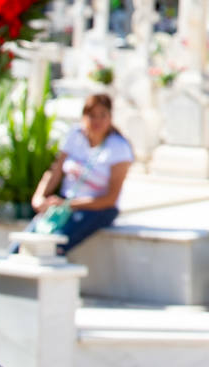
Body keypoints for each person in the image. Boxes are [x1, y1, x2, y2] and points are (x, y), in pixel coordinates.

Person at [25, 92, 133, 255]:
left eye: (102, 115)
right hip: (65, 205)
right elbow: (55, 171)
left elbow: (110, 199)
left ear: (110, 117)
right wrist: (39, 197)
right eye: (91, 115)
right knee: (24, 244)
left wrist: (68, 204)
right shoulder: (75, 136)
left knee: (54, 246)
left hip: (96, 209)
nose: (96, 121)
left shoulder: (119, 148)